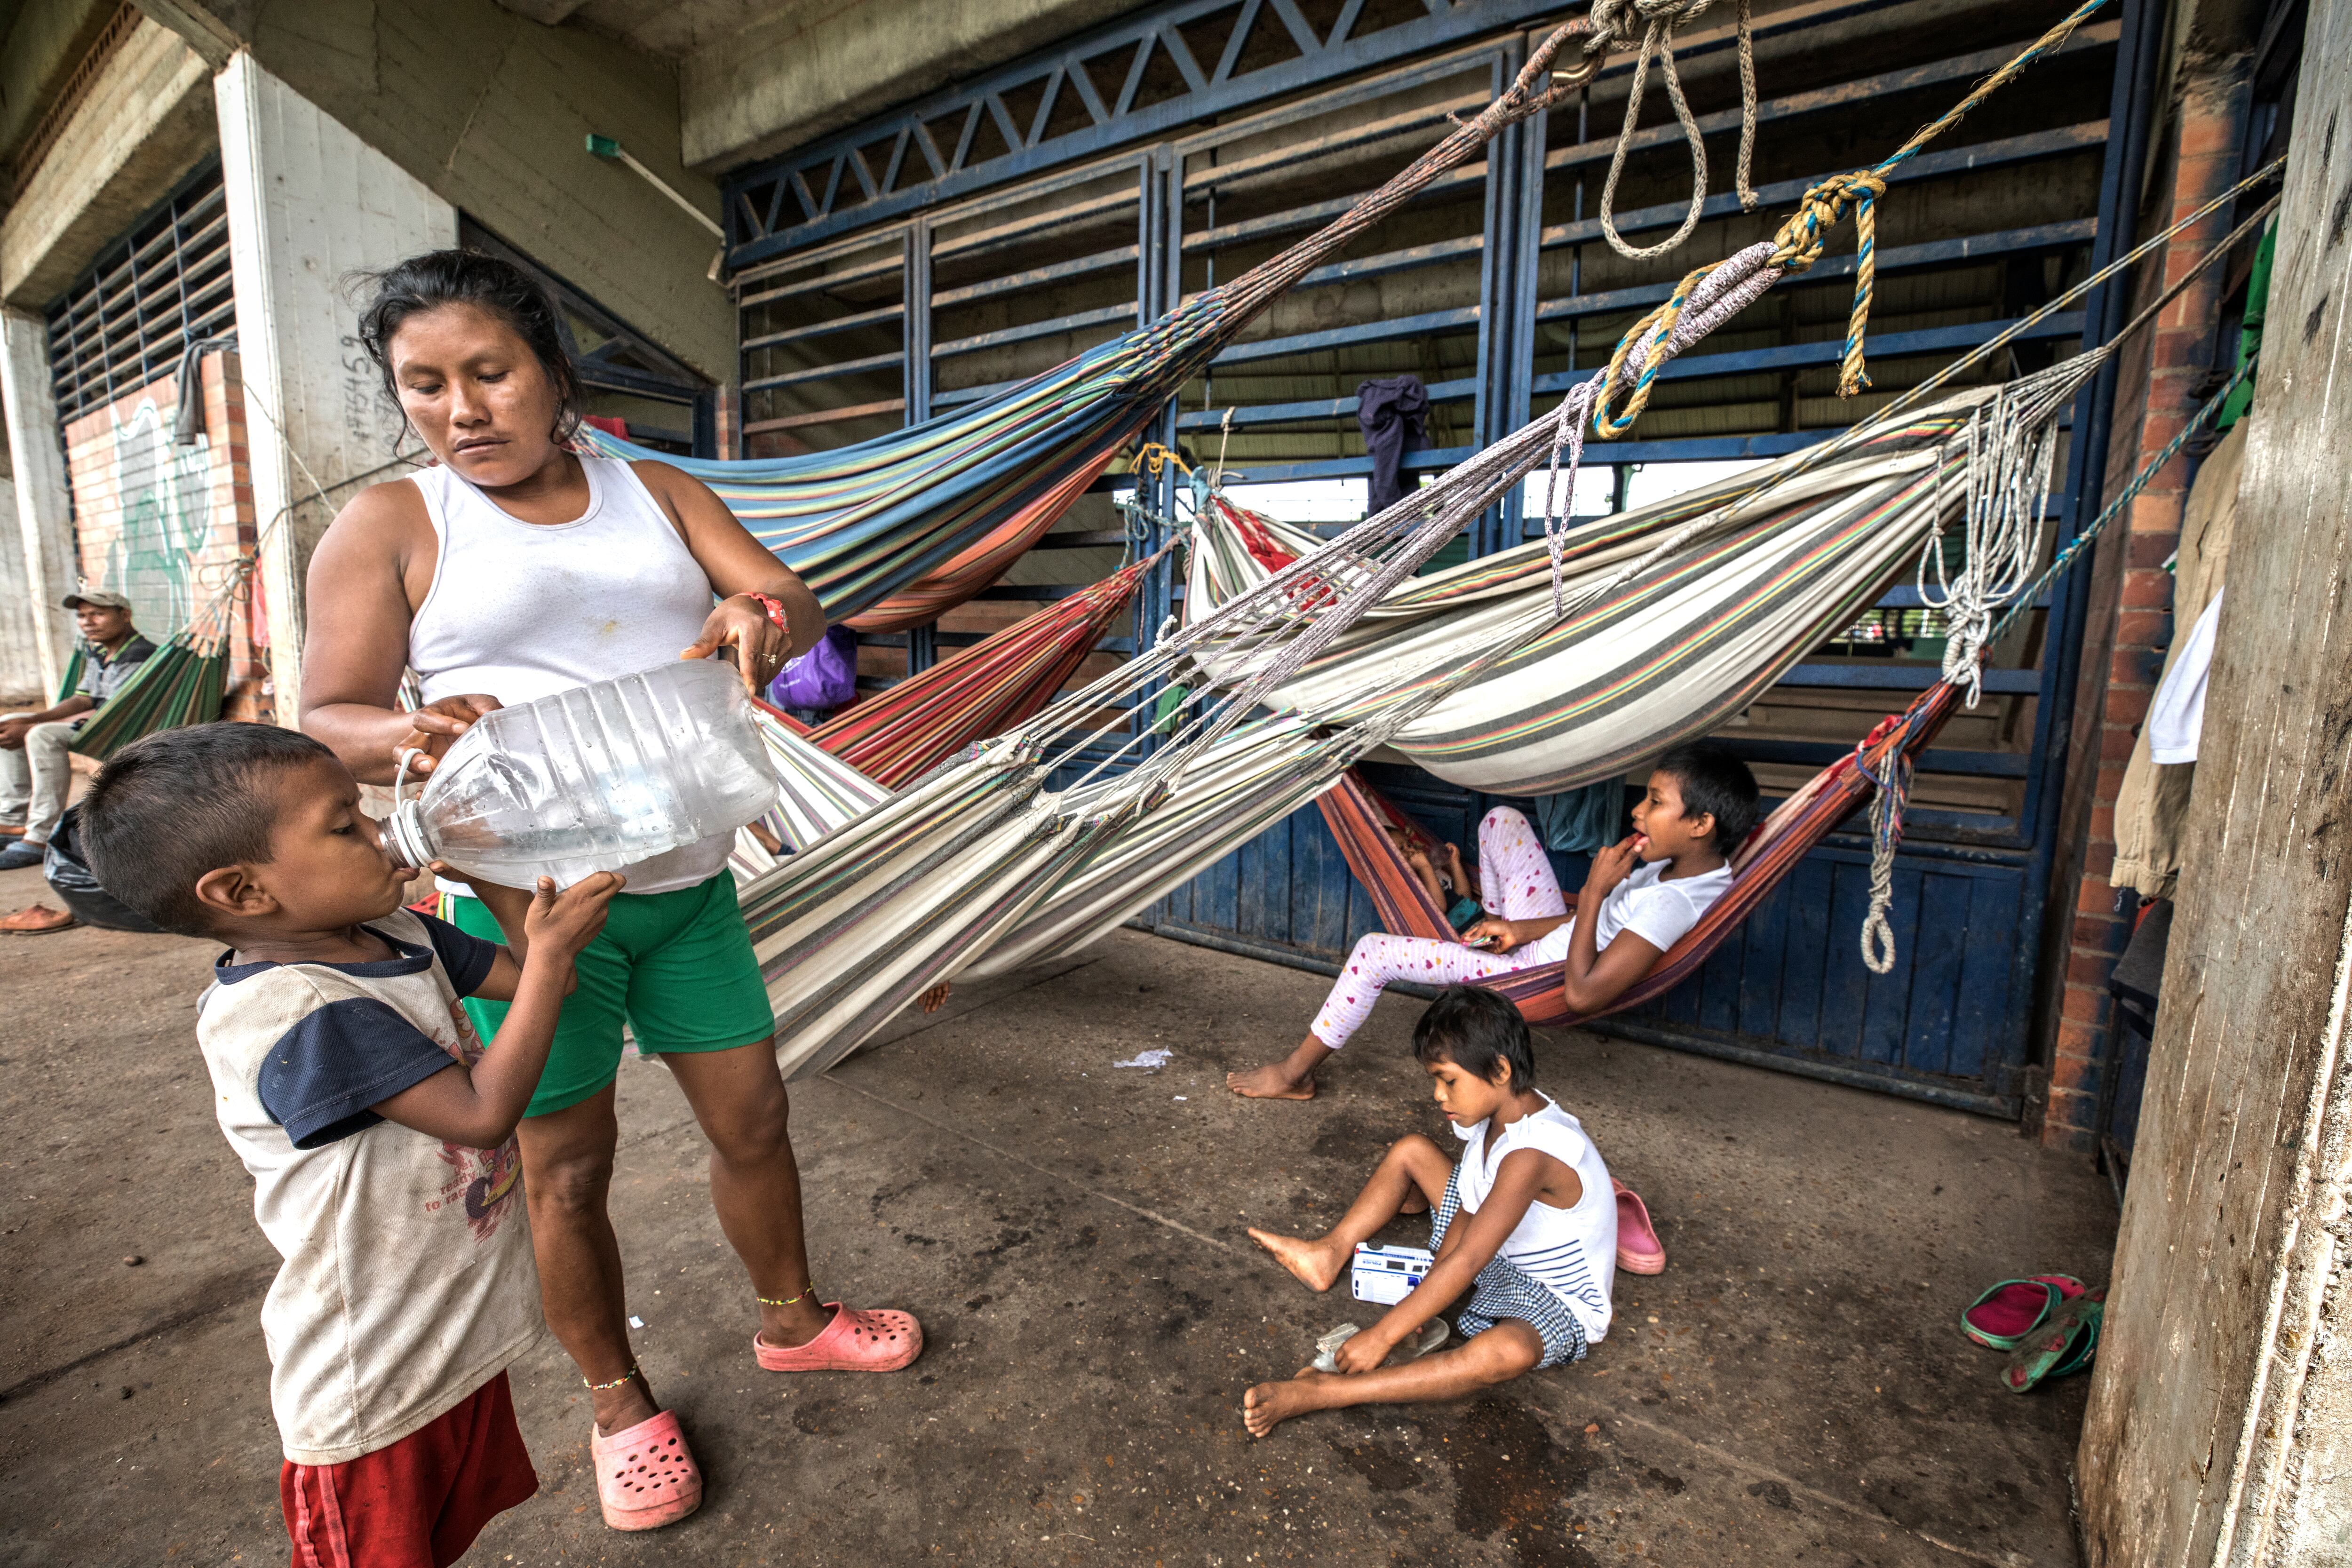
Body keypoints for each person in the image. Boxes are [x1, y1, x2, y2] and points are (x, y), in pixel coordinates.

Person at [299, 249, 920, 1533]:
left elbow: (786, 598)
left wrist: (759, 615)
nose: (463, 407)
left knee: (755, 1121)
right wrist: (409, 735)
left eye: (490, 371)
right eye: (424, 384)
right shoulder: (397, 524)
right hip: (523, 918)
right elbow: (327, 715)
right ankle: (618, 1402)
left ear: (551, 374)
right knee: (565, 1167)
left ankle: (793, 1320)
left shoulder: (657, 491)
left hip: (688, 876)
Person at [76, 721, 625, 1564]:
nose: (383, 834)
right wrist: (549, 961)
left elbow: (529, 968)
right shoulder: (299, 1004)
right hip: (368, 1373)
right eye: (346, 826)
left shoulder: (398, 934)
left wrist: (489, 866)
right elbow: (482, 1109)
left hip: (445, 1336)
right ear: (244, 891)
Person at [1227, 743, 1760, 1100]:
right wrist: (1519, 929)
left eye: (1654, 802)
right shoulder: (1683, 868)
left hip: (1534, 977)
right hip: (1541, 941)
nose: (1637, 813)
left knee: (1372, 951)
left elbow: (1582, 995)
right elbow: (1585, 925)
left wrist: (1596, 891)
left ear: (1700, 823)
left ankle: (1294, 1073)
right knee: (1500, 820)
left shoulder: (1671, 904)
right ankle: (1487, 925)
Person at [1241, 985, 1617, 1435]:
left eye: (1449, 1080)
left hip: (1556, 1296)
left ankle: (1326, 1393)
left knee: (1503, 1354)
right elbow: (1468, 1213)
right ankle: (1329, 1253)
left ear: (1500, 1070)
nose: (1439, 1095)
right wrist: (1419, 1316)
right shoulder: (1495, 1116)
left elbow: (1470, 1257)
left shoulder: (1533, 1151)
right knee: (1413, 1152)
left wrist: (1384, 1335)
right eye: (1436, 1081)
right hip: (1505, 1248)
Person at [0, 589, 155, 870]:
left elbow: (113, 710)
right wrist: (33, 717)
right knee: (13, 719)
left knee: (41, 735)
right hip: (99, 722)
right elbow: (84, 698)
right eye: (82, 616)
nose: (87, 622)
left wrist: (35, 726)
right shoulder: (99, 651)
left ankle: (40, 834)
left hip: (124, 728)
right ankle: (12, 820)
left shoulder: (139, 654)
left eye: (98, 614)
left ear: (125, 615)